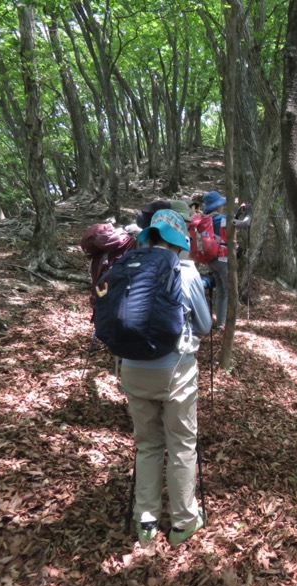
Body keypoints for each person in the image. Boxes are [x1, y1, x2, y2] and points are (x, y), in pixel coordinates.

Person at [120, 209, 212, 547]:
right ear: (178, 241)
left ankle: (145, 524)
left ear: (152, 237)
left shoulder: (128, 266)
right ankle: (184, 523)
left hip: (132, 368)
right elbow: (203, 325)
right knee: (182, 445)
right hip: (174, 372)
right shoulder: (184, 272)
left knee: (147, 445)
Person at [202, 190, 229, 330]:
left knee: (220, 291)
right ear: (217, 206)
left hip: (210, 260)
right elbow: (240, 225)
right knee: (228, 291)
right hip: (223, 258)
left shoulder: (206, 220)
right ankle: (225, 323)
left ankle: (220, 323)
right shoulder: (222, 219)